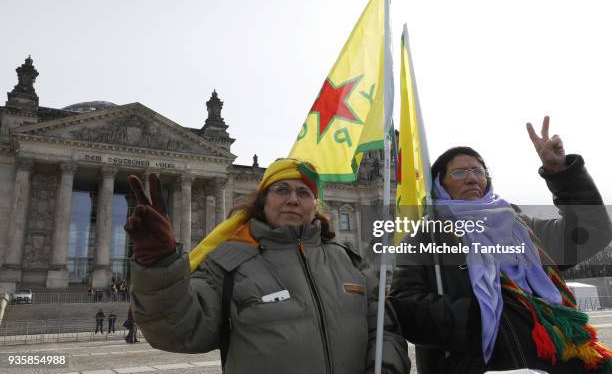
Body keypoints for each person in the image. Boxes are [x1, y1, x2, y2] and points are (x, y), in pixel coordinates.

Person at [125, 158, 410, 373]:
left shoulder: (348, 260)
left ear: (315, 206)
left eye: (304, 193)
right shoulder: (228, 262)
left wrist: (386, 368)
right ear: (262, 202)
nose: (292, 199)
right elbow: (180, 331)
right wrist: (159, 265)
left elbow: (385, 329)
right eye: (281, 190)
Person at [390, 116, 612, 373]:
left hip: (556, 364)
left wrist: (561, 172)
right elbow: (404, 306)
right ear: (440, 184)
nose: (472, 178)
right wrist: (488, 315)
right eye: (460, 172)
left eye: (479, 171)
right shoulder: (426, 237)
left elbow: (592, 232)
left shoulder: (522, 227)